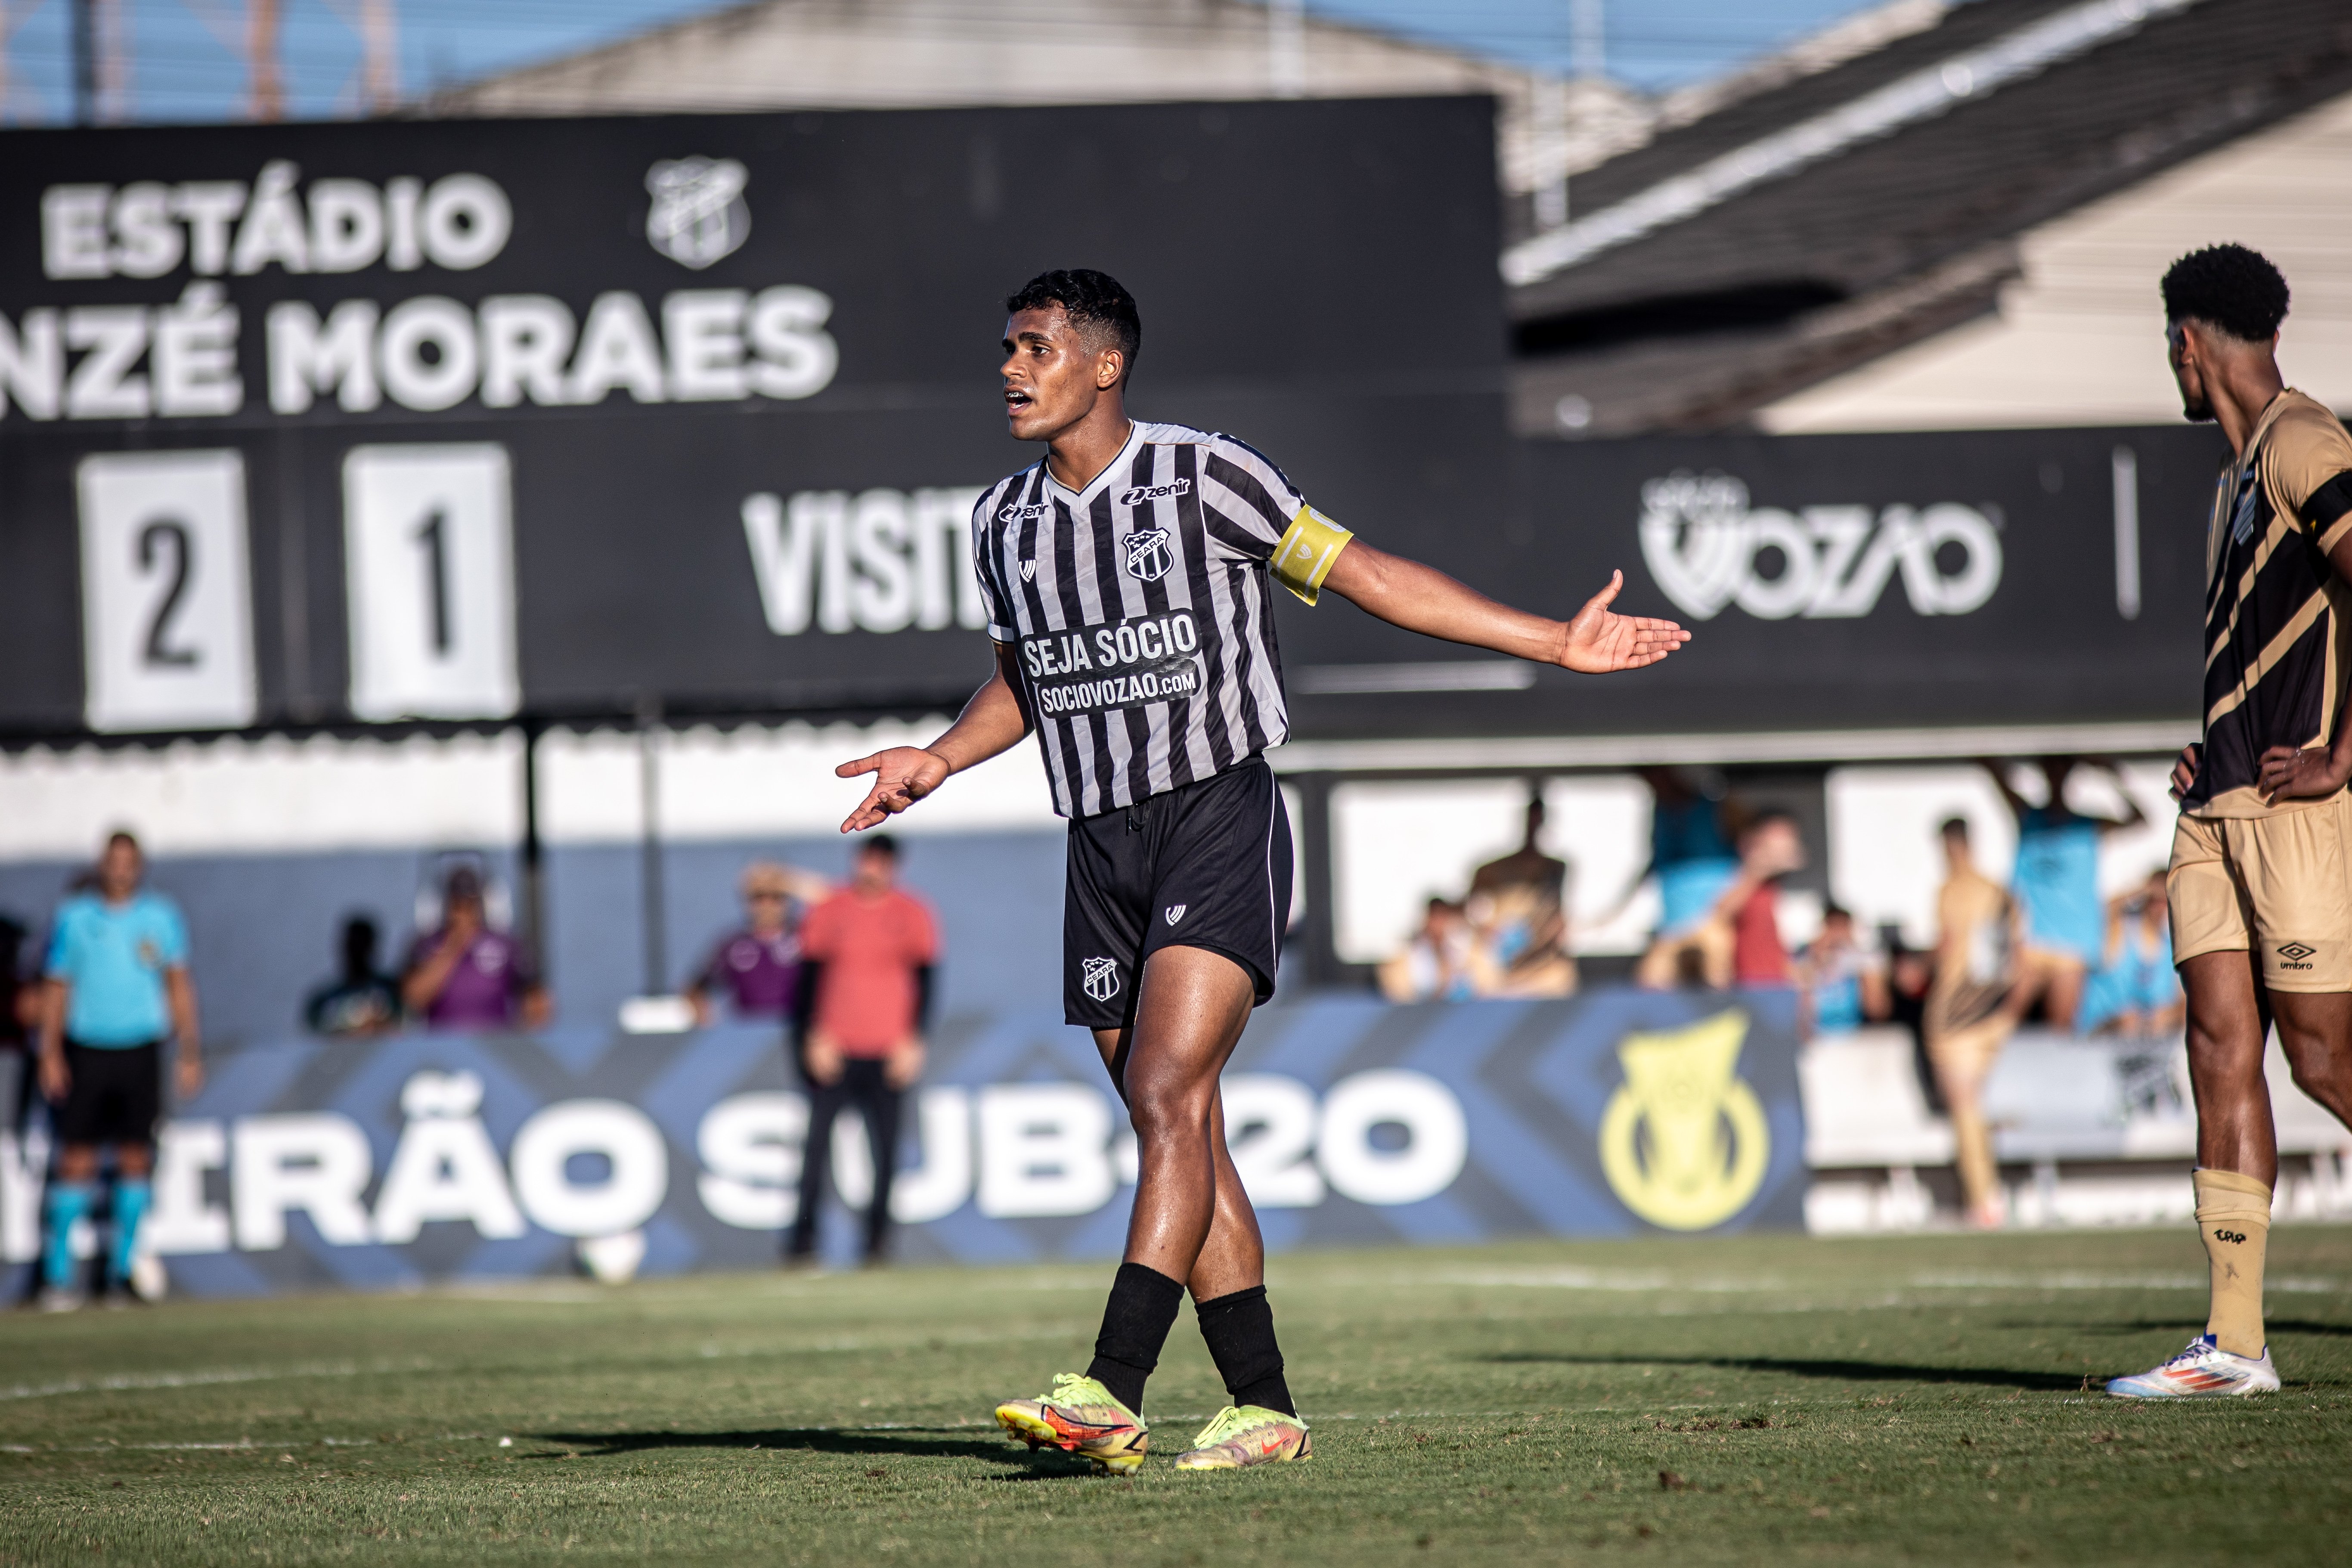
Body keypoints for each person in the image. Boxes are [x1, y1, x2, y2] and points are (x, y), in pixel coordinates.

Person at [830, 269, 1688, 1472]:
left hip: (1214, 813)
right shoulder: (1003, 523)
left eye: (1034, 347)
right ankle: (1262, 1404)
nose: (1012, 370)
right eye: (1007, 350)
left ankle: (1110, 1387)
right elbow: (1025, 677)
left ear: (1104, 364)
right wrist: (940, 754)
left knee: (1166, 1097)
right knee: (1181, 1125)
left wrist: (1550, 639)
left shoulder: (1205, 477)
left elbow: (1366, 575)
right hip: (1098, 844)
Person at [2109, 245, 2352, 1399]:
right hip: (2211, 805)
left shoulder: (2304, 441)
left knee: (2319, 1057)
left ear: (2184, 343)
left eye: (2167, 344)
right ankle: (2234, 1345)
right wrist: (2210, 739)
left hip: (2294, 812)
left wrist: (2343, 752)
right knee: (2217, 1048)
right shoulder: (2235, 476)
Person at [35, 832, 203, 1309]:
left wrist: (190, 1049)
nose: (121, 870)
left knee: (135, 1157)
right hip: (88, 1047)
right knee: (76, 1160)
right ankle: (58, 1277)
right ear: (102, 865)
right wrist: (50, 1051)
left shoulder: (161, 918)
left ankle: (121, 1273)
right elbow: (56, 987)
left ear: (140, 866)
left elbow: (178, 984)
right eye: (114, 862)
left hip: (140, 1049)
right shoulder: (75, 918)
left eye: (130, 862)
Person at [787, 836, 936, 1267]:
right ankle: (802, 1243)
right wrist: (813, 1037)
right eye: (868, 859)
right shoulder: (831, 908)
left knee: (886, 1153)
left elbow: (926, 981)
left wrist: (913, 1039)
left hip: (888, 1050)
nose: (873, 868)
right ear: (858, 861)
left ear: (894, 866)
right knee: (816, 1150)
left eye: (882, 862)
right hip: (836, 1047)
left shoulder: (912, 912)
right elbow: (810, 979)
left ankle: (877, 1245)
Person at [1981, 756, 2145, 1031]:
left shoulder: (2087, 825)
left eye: (2063, 771)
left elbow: (2140, 821)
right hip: (2032, 941)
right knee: (2004, 1023)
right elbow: (1989, 765)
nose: (2057, 778)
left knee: (2062, 1031)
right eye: (2051, 771)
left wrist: (2112, 778)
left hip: (2073, 945)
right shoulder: (2028, 816)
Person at [1924, 817, 2017, 1230]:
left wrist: (1917, 966)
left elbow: (1946, 949)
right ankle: (1979, 1197)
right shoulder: (1998, 891)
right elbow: (2010, 959)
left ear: (1948, 845)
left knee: (1964, 1108)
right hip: (1991, 1012)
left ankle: (1984, 1200)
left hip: (1954, 1012)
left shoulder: (1949, 891)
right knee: (1972, 1107)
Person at [1629, 768, 1742, 989]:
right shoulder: (1660, 813)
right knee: (1649, 984)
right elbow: (1656, 861)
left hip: (1712, 918)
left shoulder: (1715, 808)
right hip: (1671, 924)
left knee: (1718, 985)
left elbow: (1746, 848)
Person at [401, 865, 550, 1033]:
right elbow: (413, 999)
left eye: (470, 905)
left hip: (494, 1046)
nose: (463, 913)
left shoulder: (507, 945)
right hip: (442, 1047)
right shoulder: (427, 945)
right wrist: (454, 946)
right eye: (458, 905)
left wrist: (524, 1037)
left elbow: (536, 1000)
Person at [689, 861, 830, 1026]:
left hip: (798, 1028)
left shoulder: (805, 938)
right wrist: (706, 1020)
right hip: (748, 1032)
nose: (767, 906)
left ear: (787, 900)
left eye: (776, 898)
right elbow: (696, 987)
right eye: (759, 898)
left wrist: (790, 881)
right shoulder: (733, 945)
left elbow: (834, 902)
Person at [1463, 795, 1576, 996]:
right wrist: (1494, 934)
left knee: (1562, 975)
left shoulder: (1555, 869)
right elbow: (1473, 913)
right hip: (1496, 959)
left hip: (1535, 963)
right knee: (1477, 969)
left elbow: (1558, 923)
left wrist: (1548, 935)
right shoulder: (1491, 871)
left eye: (1538, 820)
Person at [2079, 875, 2183, 1039]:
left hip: (2143, 1039)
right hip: (2098, 1033)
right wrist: (2144, 889)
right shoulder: (2121, 930)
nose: (2160, 908)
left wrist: (2168, 1016)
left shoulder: (2170, 946)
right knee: (2129, 1022)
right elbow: (2105, 910)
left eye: (2165, 902)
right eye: (2155, 901)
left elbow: (2183, 1004)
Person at [304, 915, 404, 1038]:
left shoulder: (392, 990)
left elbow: (403, 1023)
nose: (357, 951)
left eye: (362, 944)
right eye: (353, 944)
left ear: (372, 947)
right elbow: (316, 1030)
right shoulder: (325, 999)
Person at [1801, 905, 1890, 1035]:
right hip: (1821, 1036)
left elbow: (1878, 1011)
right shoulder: (1807, 958)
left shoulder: (1866, 960)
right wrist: (1820, 959)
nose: (1837, 934)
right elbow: (1803, 1016)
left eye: (1842, 927)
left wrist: (1863, 969)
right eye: (1832, 927)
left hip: (1858, 1035)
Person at [1377, 898, 1475, 1003]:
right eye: (1434, 917)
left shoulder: (1465, 953)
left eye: (1443, 917)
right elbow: (1400, 996)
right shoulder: (1407, 958)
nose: (1439, 924)